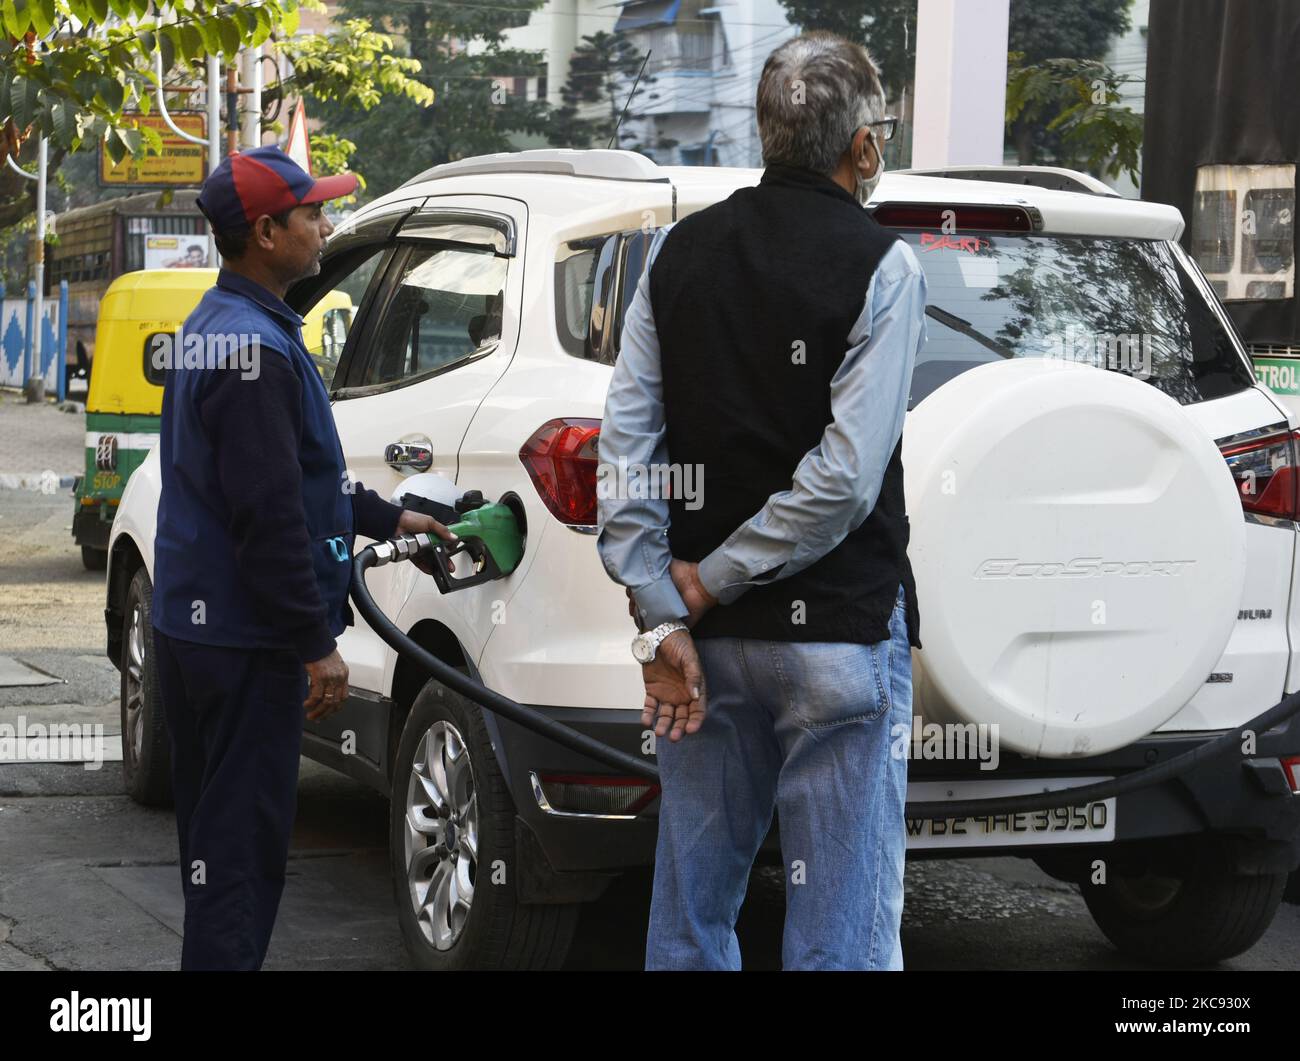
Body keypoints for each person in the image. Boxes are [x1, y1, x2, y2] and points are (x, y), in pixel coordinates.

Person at [596, 32, 928, 970]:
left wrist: (665, 610)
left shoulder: (676, 255)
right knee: (842, 936)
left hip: (703, 654)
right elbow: (844, 479)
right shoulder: (883, 267)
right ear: (859, 148)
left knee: (691, 920)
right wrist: (707, 583)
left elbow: (627, 454)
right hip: (837, 642)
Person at [150, 145, 455, 970]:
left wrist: (396, 515)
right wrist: (315, 646)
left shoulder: (222, 326)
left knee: (217, 854)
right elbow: (271, 518)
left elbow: (291, 485)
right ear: (264, 231)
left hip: (198, 633)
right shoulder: (259, 355)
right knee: (240, 868)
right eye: (311, 213)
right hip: (247, 647)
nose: (325, 225)